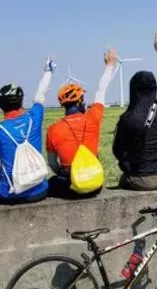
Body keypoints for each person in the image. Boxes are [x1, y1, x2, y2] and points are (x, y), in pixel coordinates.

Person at [45, 49, 117, 199]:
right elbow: (101, 91)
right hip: (94, 183)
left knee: (49, 183)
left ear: (62, 105)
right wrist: (110, 65)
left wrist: (64, 174)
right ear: (80, 101)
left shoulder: (53, 129)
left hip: (70, 185)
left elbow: (52, 163)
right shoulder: (93, 118)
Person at [0, 58, 56, 204]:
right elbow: (40, 94)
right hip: (39, 190)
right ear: (21, 100)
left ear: (0, 105)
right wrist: (48, 71)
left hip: (10, 194)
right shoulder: (34, 117)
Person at [113, 31, 157, 190]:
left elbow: (118, 151)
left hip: (141, 180)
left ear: (133, 90)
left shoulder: (127, 119)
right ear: (154, 88)